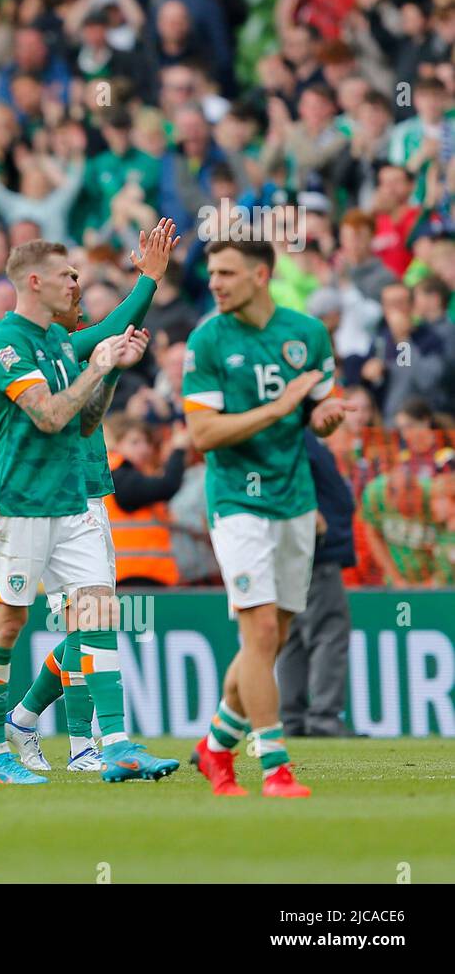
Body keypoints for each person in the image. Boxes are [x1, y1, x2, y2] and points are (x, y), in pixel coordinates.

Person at [0, 238, 179, 786]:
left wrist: (108, 372)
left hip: (70, 500)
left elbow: (85, 422)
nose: (75, 283)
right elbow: (46, 415)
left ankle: (115, 745)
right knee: (8, 621)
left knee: (98, 611)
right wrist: (99, 364)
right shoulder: (3, 344)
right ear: (34, 282)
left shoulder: (62, 346)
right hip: (18, 501)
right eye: (67, 275)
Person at [184, 240, 347, 799]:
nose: (215, 283)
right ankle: (274, 766)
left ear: (261, 274)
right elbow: (202, 434)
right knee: (256, 630)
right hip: (237, 500)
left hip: (294, 499)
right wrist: (279, 410)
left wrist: (324, 416)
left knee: (271, 638)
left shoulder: (308, 333)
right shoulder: (207, 339)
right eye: (211, 273)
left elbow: (322, 408)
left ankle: (213, 746)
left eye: (226, 273)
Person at [277, 430, 357, 738]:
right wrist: (307, 513)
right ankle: (324, 717)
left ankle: (292, 719)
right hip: (314, 551)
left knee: (291, 634)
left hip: (293, 550)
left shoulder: (285, 432)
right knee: (329, 631)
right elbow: (287, 475)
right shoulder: (296, 435)